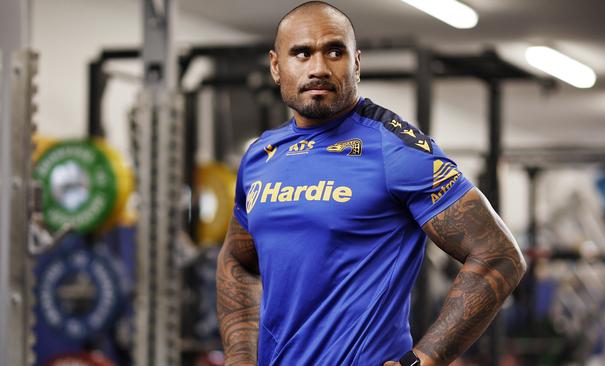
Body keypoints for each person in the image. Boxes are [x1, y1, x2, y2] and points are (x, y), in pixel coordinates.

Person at [216, 2, 527, 365]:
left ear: (357, 63)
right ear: (275, 66)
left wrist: (421, 361)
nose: (318, 67)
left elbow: (499, 255)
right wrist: (240, 359)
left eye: (335, 51)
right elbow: (236, 262)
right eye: (301, 53)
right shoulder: (260, 157)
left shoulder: (396, 149)